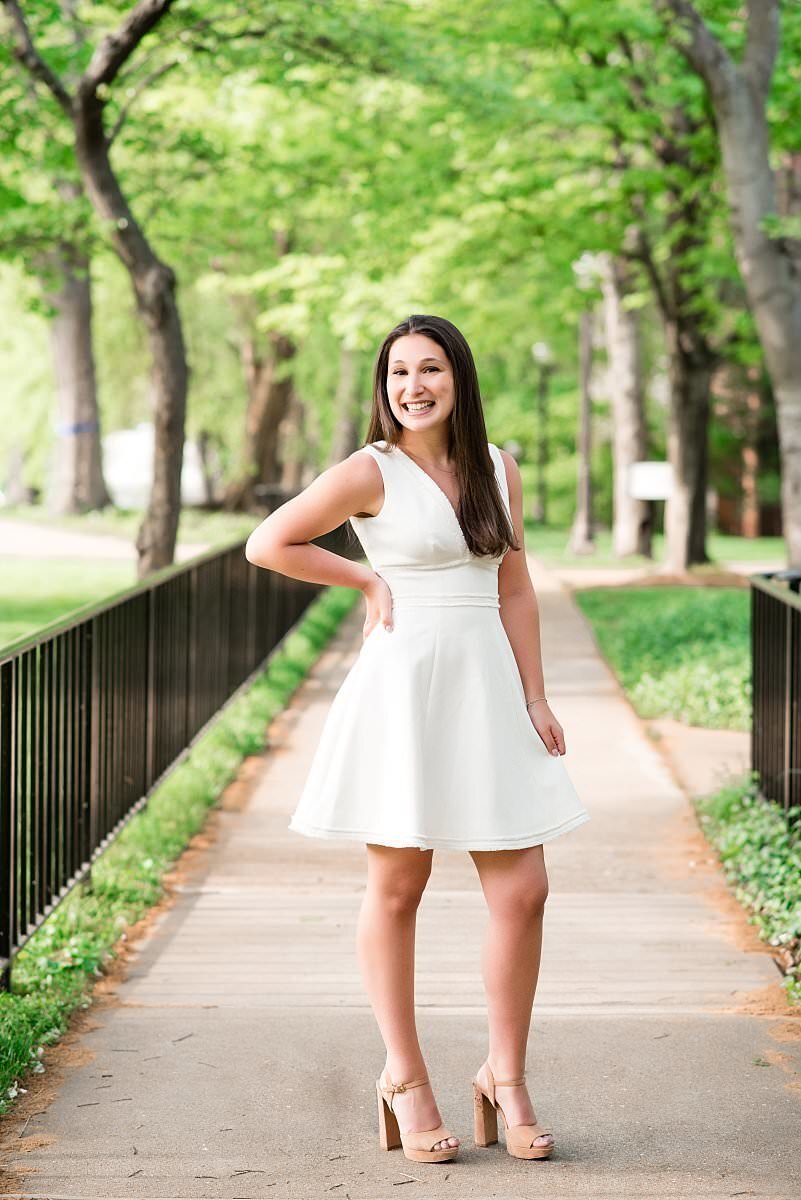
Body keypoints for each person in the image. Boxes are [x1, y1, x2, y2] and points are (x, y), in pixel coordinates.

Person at [245, 313, 590, 1165]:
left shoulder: (496, 468)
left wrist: (534, 694)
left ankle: (502, 1075)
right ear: (383, 385)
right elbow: (268, 542)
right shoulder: (372, 470)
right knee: (398, 884)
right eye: (398, 373)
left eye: (429, 369)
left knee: (523, 890)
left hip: (487, 691)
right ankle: (404, 1076)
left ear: (458, 378)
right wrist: (362, 576)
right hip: (403, 691)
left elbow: (513, 588)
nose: (413, 387)